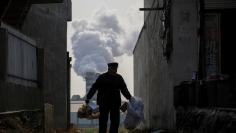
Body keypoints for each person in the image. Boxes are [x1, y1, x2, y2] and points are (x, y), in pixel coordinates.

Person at [85, 62, 132, 133]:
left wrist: (130, 98)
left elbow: (124, 89)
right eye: (114, 69)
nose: (116, 71)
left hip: (115, 104)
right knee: (103, 122)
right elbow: (94, 87)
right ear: (109, 69)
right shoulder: (102, 77)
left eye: (116, 69)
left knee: (115, 122)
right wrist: (88, 97)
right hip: (104, 103)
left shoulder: (119, 77)